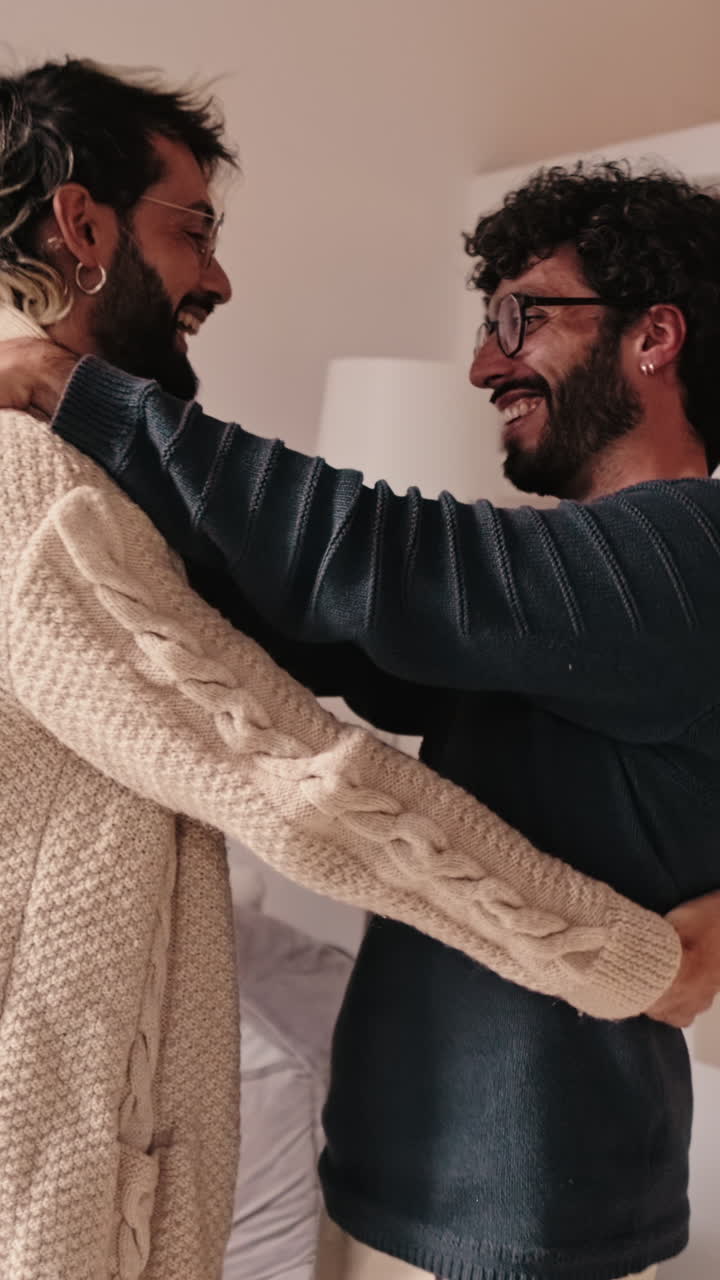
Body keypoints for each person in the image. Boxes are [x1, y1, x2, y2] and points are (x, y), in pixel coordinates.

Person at [2, 59, 711, 1279]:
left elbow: (377, 561)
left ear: (653, 335)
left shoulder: (685, 552)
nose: (484, 366)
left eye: (517, 317)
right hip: (421, 1166)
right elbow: (327, 635)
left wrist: (71, 387)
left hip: (531, 1201)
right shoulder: (568, 595)